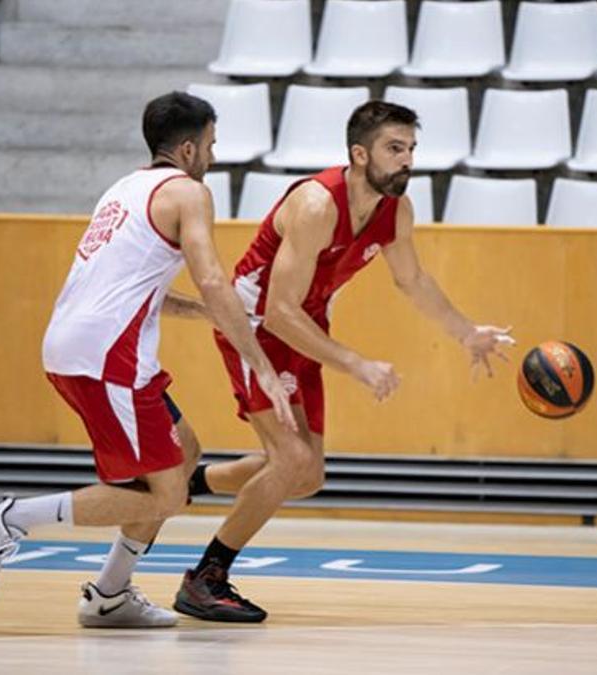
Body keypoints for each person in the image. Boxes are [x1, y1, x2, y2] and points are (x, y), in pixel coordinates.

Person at [0, 92, 296, 629]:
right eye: (211, 145)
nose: (213, 156)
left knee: (184, 454)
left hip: (89, 347)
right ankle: (8, 517)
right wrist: (259, 364)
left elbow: (143, 288)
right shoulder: (188, 193)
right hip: (104, 356)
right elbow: (213, 278)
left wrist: (208, 316)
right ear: (188, 149)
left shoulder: (124, 189)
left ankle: (110, 595)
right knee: (166, 494)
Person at [177, 101, 514, 623]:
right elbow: (280, 311)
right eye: (394, 149)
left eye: (411, 150)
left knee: (306, 475)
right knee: (288, 461)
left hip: (304, 325)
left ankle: (190, 483)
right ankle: (206, 578)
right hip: (255, 325)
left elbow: (414, 281)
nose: (407, 160)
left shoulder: (395, 211)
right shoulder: (316, 204)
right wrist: (356, 364)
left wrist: (467, 333)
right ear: (360, 154)